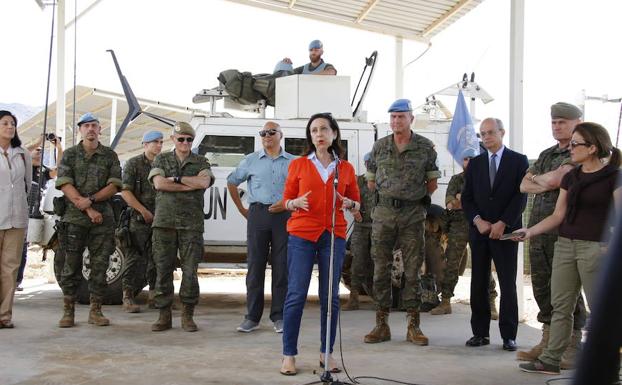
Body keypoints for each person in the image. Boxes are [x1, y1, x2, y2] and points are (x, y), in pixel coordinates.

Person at [518, 122, 622, 374]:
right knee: (560, 306)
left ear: (593, 148)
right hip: (565, 245)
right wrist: (529, 231)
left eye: (576, 144)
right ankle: (551, 359)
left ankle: (610, 363)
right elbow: (558, 215)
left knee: (600, 307)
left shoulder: (614, 177)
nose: (571, 148)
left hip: (595, 249)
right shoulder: (571, 176)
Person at [280, 112, 360, 376]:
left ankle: (327, 354)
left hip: (333, 236)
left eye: (324, 129)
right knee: (296, 295)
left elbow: (357, 203)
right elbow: (286, 200)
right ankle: (289, 355)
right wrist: (295, 203)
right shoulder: (299, 165)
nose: (319, 134)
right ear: (310, 137)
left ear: (334, 134)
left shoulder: (345, 168)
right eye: (314, 131)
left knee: (330, 297)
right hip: (302, 234)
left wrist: (348, 203)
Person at [364, 98, 441, 346]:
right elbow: (371, 182)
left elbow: (431, 184)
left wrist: (410, 199)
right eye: (393, 117)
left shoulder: (425, 147)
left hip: (412, 215)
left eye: (401, 117)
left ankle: (413, 325)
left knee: (412, 270)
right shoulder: (379, 147)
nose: (396, 121)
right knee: (380, 270)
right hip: (384, 214)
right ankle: (381, 324)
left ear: (411, 119)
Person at [516, 102, 587, 367]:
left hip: (564, 230)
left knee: (568, 290)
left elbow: (558, 181)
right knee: (542, 285)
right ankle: (548, 339)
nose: (557, 126)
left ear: (577, 123)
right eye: (554, 122)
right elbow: (523, 185)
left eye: (563, 122)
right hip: (539, 230)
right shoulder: (546, 154)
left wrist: (543, 180)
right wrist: (546, 180)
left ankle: (572, 345)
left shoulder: (581, 152)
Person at [461, 118, 528, 351]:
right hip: (480, 233)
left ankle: (509, 335)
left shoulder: (518, 161)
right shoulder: (475, 164)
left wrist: (503, 222)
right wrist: (477, 220)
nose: (486, 137)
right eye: (482, 134)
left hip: (506, 233)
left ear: (502, 132)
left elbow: (521, 197)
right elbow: (467, 198)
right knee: (478, 283)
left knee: (507, 284)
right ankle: (480, 333)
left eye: (490, 132)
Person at [55, 112, 122, 328]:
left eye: (94, 125)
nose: (91, 129)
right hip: (75, 219)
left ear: (99, 129)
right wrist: (85, 207)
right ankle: (68, 311)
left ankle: (96, 311)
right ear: (80, 130)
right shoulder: (70, 155)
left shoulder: (110, 155)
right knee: (71, 265)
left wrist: (91, 201)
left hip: (102, 218)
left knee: (100, 265)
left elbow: (114, 185)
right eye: (86, 126)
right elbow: (65, 184)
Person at [227, 121, 294, 333]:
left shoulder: (294, 162)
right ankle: (252, 317)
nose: (267, 136)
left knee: (281, 266)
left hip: (284, 216)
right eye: (263, 133)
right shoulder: (251, 160)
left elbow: (303, 188)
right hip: (258, 215)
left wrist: (288, 204)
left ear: (280, 135)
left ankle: (279, 316)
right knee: (255, 266)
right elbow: (232, 181)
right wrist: (242, 209)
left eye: (271, 132)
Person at [149, 121, 214, 332]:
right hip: (164, 223)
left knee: (190, 271)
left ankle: (187, 314)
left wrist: (176, 179)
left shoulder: (200, 160)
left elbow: (204, 183)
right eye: (181, 139)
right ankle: (164, 315)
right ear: (173, 140)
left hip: (191, 225)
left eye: (189, 139)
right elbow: (159, 183)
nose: (185, 143)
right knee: (163, 270)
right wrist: (189, 184)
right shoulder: (161, 158)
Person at [430, 148, 499, 317]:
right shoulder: (456, 179)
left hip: (479, 226)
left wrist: (463, 198)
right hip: (458, 226)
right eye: (466, 158)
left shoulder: (487, 179)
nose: (468, 161)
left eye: (472, 158)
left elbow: (488, 203)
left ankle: (491, 303)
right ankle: (445, 300)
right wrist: (465, 200)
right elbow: (450, 204)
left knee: (483, 264)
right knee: (451, 263)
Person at [120, 130, 164, 313]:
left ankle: (155, 297)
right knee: (134, 258)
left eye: (161, 142)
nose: (159, 145)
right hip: (139, 219)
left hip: (160, 218)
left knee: (157, 259)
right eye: (155, 142)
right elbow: (126, 192)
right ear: (145, 144)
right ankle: (127, 296)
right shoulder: (134, 164)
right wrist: (143, 211)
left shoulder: (164, 163)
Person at [16, 136, 63, 291]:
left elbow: (60, 168)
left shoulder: (42, 172)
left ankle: (16, 282)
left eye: (41, 152)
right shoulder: (21, 165)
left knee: (21, 249)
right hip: (13, 211)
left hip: (29, 215)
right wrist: (38, 142)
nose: (38, 153)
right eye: (36, 151)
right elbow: (19, 150)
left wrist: (59, 148)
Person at [0, 110, 32, 329]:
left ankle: (4, 316)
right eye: (4, 123)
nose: (10, 127)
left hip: (16, 219)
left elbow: (27, 185)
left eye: (12, 123)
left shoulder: (22, 154)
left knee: (10, 269)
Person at [343, 152, 375, 311]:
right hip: (361, 227)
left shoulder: (384, 181)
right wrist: (355, 212)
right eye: (368, 161)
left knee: (380, 262)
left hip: (380, 227)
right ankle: (354, 297)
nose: (370, 164)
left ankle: (380, 299)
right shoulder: (359, 181)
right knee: (357, 261)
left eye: (372, 161)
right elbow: (348, 199)